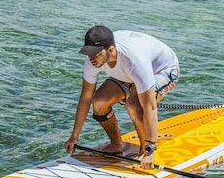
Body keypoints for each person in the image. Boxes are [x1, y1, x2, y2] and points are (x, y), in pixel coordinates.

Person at [64, 26, 180, 170]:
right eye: (88, 53)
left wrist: (151, 148)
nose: (91, 58)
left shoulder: (135, 60)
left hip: (162, 69)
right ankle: (116, 144)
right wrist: (74, 136)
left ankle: (145, 151)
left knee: (134, 104)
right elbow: (85, 98)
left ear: (111, 49)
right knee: (99, 102)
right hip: (129, 73)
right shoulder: (93, 60)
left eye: (95, 54)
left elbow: (150, 107)